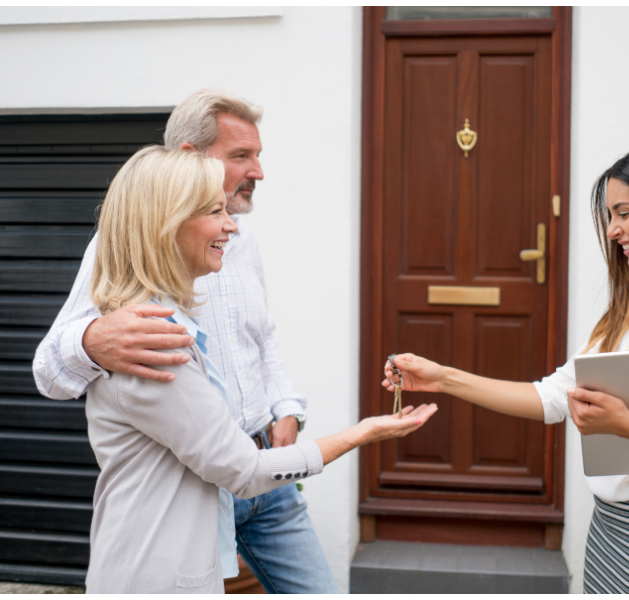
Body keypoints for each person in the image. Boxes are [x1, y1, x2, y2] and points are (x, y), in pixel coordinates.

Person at [382, 143, 629, 594]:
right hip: (608, 536)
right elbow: (551, 397)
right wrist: (443, 378)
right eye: (609, 216)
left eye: (623, 213)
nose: (612, 230)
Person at [84, 146, 437, 594]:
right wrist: (364, 433)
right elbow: (244, 471)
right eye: (215, 212)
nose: (231, 224)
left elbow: (263, 335)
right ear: (167, 225)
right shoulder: (151, 343)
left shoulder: (164, 322)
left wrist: (285, 406)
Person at [33, 89, 342, 593]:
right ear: (188, 159)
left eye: (258, 155)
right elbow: (48, 370)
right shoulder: (121, 247)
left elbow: (264, 338)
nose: (258, 171)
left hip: (270, 475)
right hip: (198, 488)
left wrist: (287, 407)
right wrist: (90, 339)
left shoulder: (241, 239)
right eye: (241, 156)